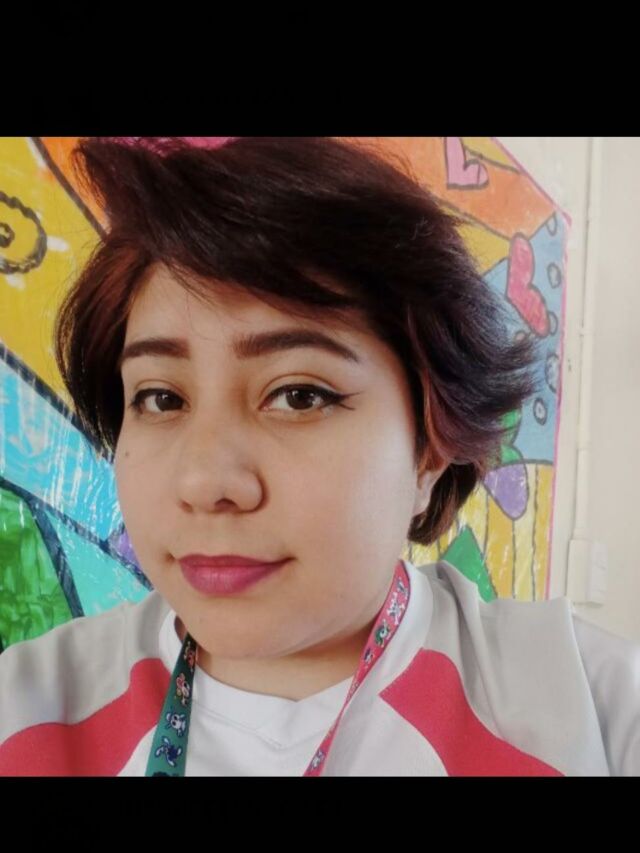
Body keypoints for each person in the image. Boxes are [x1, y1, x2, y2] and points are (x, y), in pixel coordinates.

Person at [0, 136, 638, 776]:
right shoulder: (27, 713)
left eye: (299, 395)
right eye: (161, 399)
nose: (205, 481)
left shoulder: (591, 711)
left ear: (428, 450)